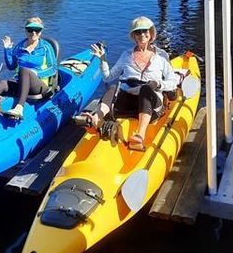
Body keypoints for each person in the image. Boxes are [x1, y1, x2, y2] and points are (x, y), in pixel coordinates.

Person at [75, 16, 177, 151]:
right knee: (112, 88)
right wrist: (103, 60)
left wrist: (158, 84)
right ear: (134, 36)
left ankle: (140, 135)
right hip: (127, 101)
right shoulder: (126, 55)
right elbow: (108, 77)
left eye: (145, 31)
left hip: (150, 103)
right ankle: (95, 119)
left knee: (146, 89)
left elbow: (173, 82)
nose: (142, 35)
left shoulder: (161, 56)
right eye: (138, 32)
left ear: (151, 33)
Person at [0, 16, 58, 120]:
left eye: (37, 30)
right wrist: (7, 49)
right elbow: (11, 66)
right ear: (26, 30)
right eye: (30, 30)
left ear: (41, 31)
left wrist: (37, 73)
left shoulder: (46, 47)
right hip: (21, 83)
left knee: (24, 70)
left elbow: (53, 68)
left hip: (39, 86)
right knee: (4, 83)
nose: (33, 33)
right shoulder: (20, 46)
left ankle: (19, 108)